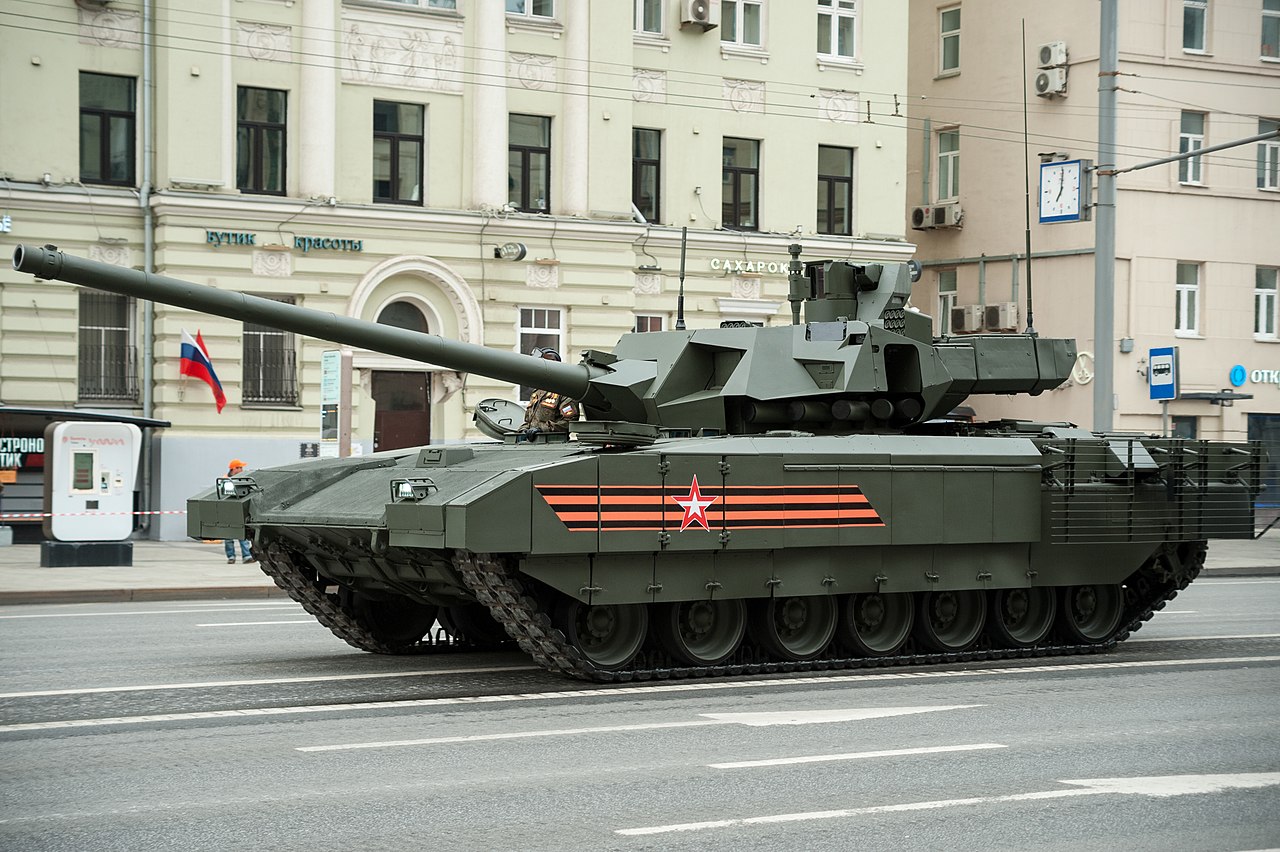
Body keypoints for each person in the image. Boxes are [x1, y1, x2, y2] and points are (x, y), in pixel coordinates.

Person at [520, 348, 580, 439]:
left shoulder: (565, 391)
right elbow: (529, 420)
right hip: (533, 442)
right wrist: (523, 430)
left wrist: (542, 429)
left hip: (554, 443)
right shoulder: (537, 391)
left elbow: (569, 422)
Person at [223, 459, 255, 564]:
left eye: (241, 467)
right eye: (239, 467)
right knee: (228, 537)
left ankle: (247, 556)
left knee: (243, 536)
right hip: (227, 511)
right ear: (233, 469)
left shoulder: (244, 479)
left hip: (239, 512)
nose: (242, 469)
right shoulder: (225, 480)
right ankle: (231, 557)